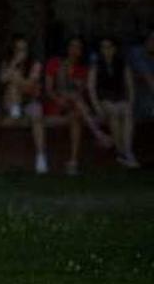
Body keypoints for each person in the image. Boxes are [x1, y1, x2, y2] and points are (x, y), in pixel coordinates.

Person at [45, 36, 111, 175]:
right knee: (75, 100)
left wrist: (75, 88)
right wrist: (59, 99)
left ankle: (73, 162)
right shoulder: (55, 63)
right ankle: (97, 133)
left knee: (76, 115)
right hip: (56, 104)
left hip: (75, 106)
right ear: (66, 47)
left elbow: (80, 92)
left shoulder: (83, 69)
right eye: (72, 46)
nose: (75, 50)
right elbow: (49, 90)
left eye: (78, 47)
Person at [0, 35, 49, 174]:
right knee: (12, 83)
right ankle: (15, 109)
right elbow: (2, 79)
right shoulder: (8, 62)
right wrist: (14, 63)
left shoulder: (35, 64)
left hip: (28, 101)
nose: (21, 52)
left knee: (37, 114)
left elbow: (30, 87)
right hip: (10, 101)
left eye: (24, 49)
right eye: (18, 49)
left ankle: (40, 156)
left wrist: (16, 78)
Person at [89, 37, 139, 168]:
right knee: (114, 112)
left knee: (127, 111)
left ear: (115, 48)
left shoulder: (122, 64)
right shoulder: (96, 66)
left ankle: (127, 151)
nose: (107, 50)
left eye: (109, 47)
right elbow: (91, 88)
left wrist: (131, 102)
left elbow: (130, 86)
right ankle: (121, 151)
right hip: (103, 100)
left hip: (119, 98)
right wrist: (97, 107)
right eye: (103, 47)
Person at [128, 29, 154, 120]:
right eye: (152, 39)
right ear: (146, 40)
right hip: (135, 93)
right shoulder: (136, 52)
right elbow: (149, 79)